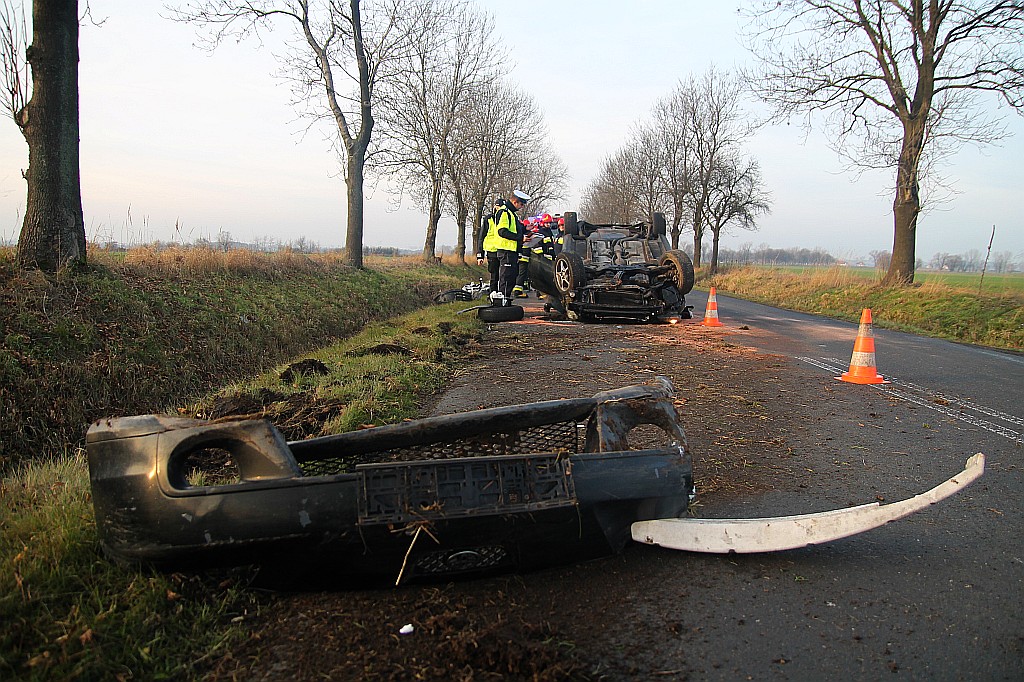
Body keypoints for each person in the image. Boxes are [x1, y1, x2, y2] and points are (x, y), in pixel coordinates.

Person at [476, 189, 530, 305]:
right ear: (515, 202)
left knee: (509, 277)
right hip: (505, 251)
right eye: (521, 204)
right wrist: (520, 239)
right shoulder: (504, 213)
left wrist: (526, 231)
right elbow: (502, 231)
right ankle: (501, 302)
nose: (521, 207)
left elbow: (515, 230)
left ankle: (504, 300)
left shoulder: (511, 214)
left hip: (511, 251)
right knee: (504, 278)